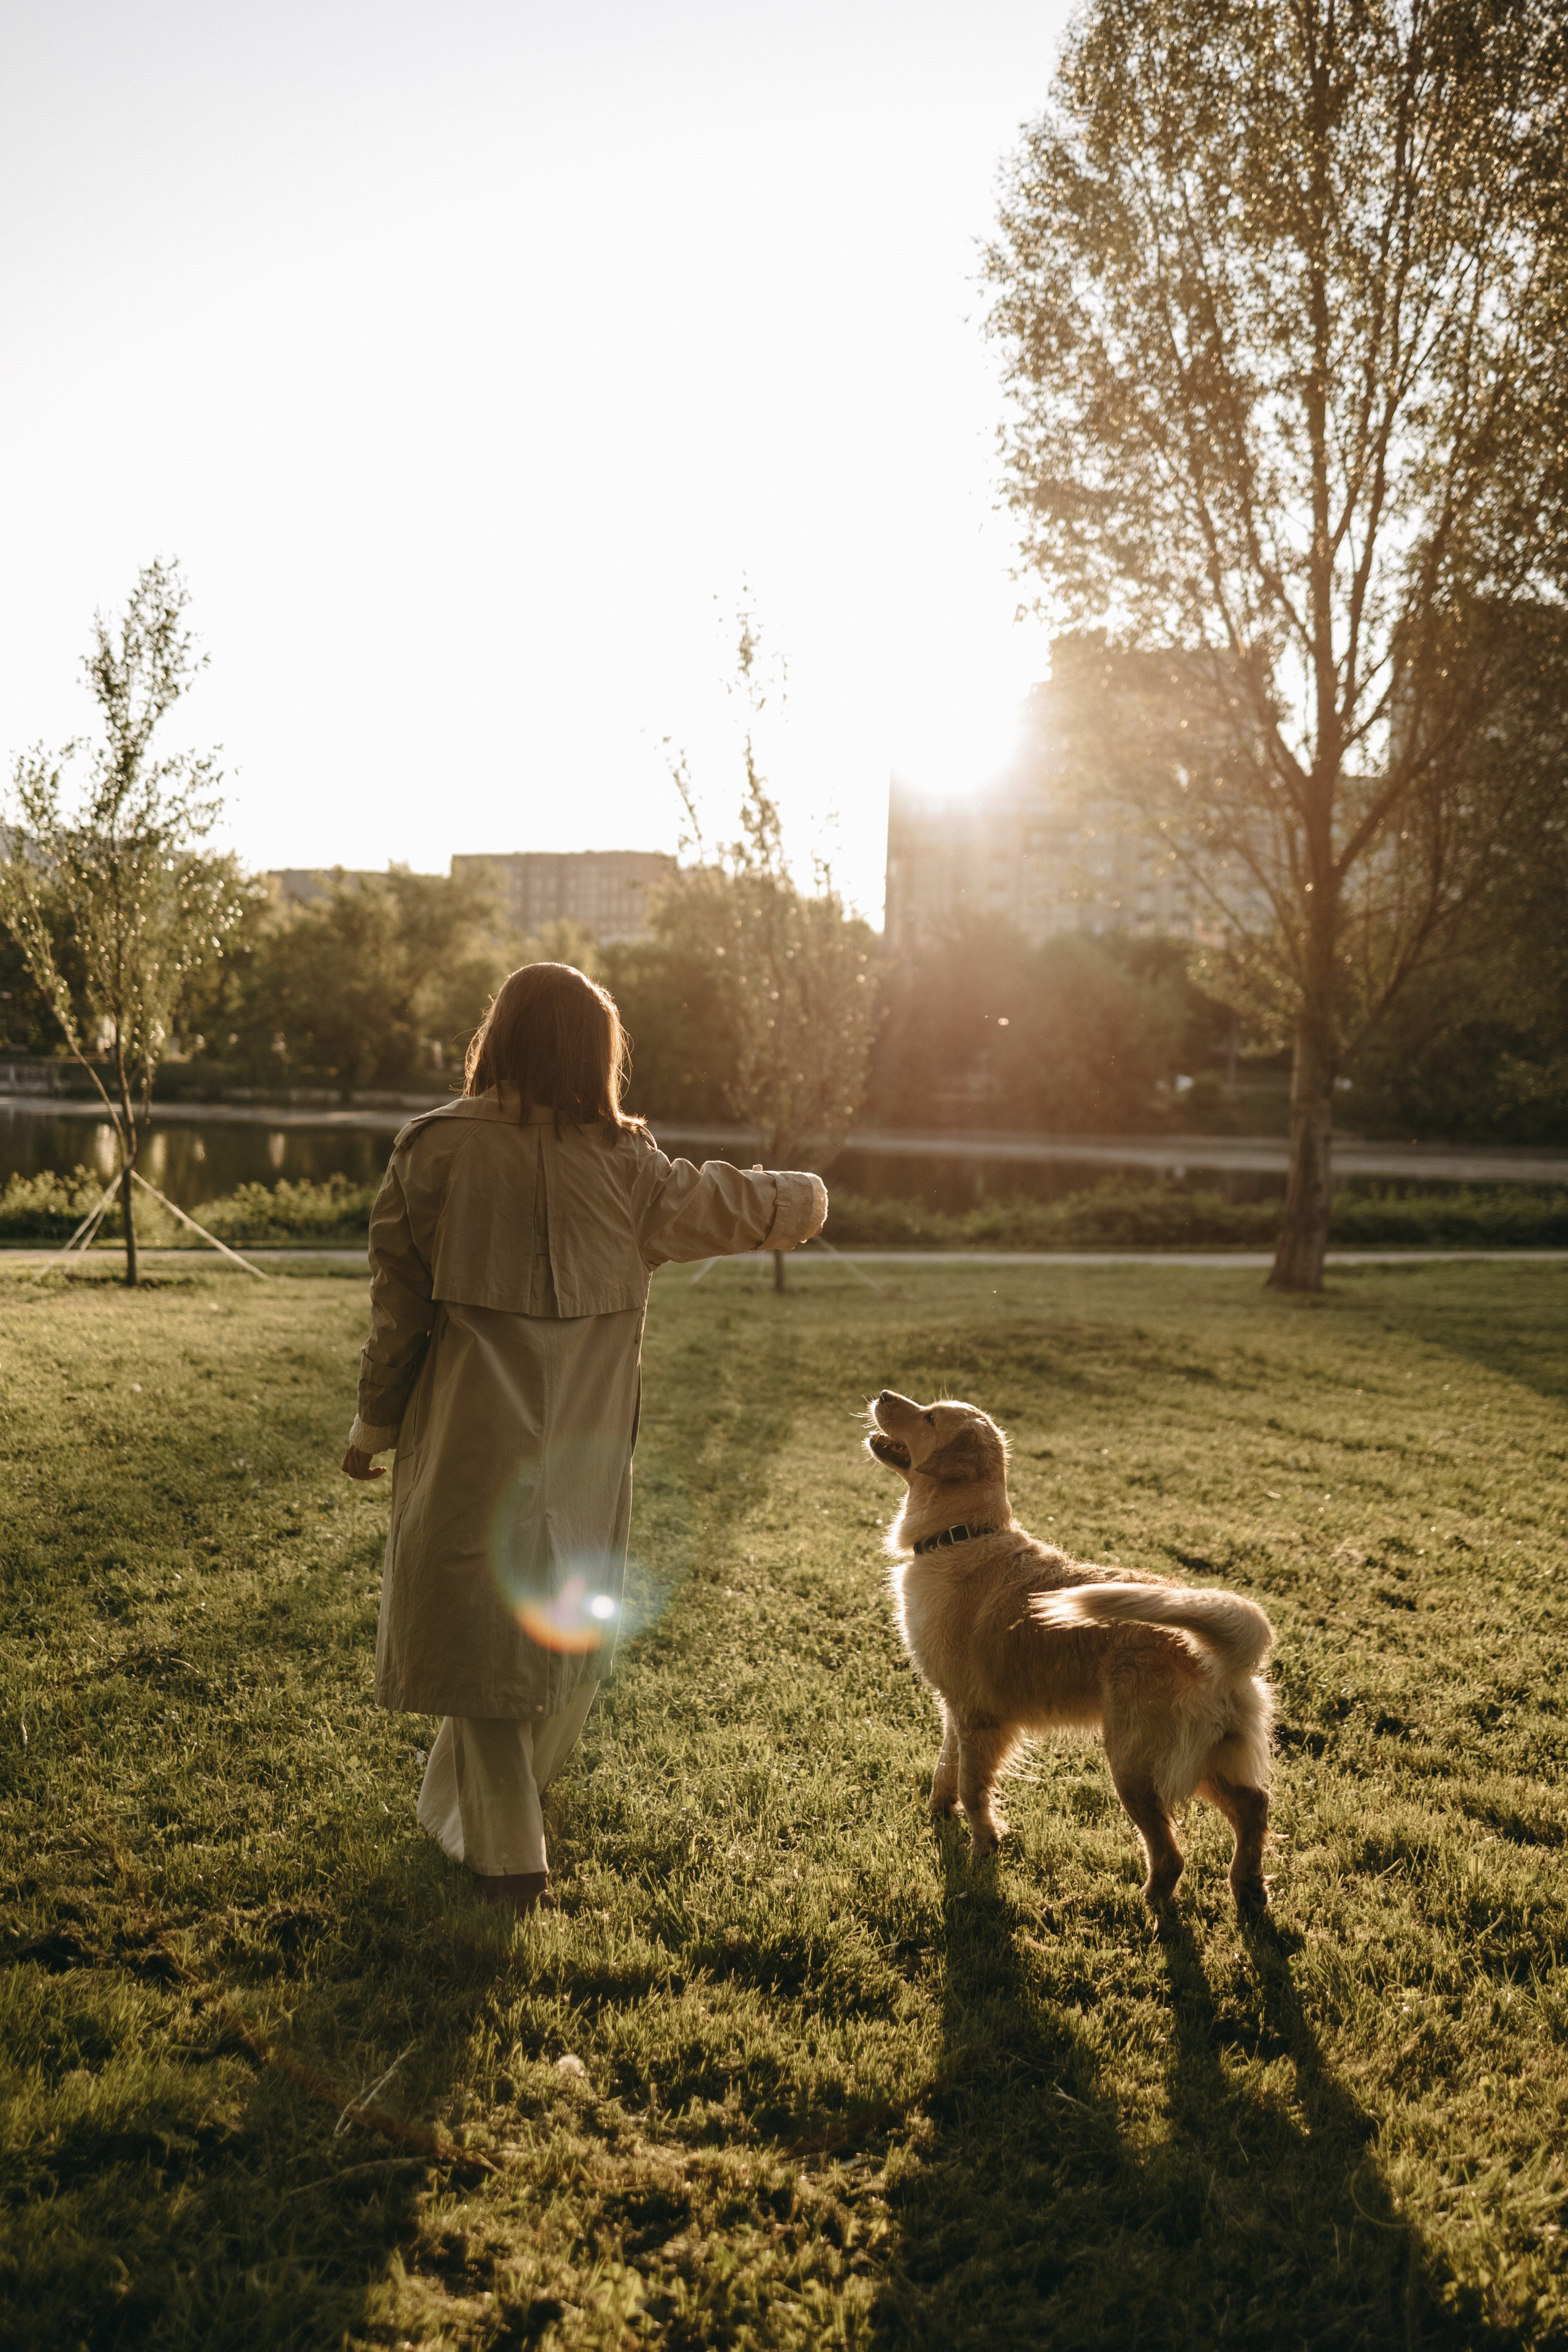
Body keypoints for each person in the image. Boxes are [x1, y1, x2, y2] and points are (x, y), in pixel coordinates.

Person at [341, 961, 827, 1912]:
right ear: (596, 1055)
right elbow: (724, 1201)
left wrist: (375, 1423)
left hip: (473, 1432)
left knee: (500, 1629)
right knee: (556, 1629)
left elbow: (395, 1310)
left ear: (503, 1036)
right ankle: (509, 1853)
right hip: (588, 1441)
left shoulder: (433, 1150)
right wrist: (806, 1196)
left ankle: (480, 1826)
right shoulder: (626, 1166)